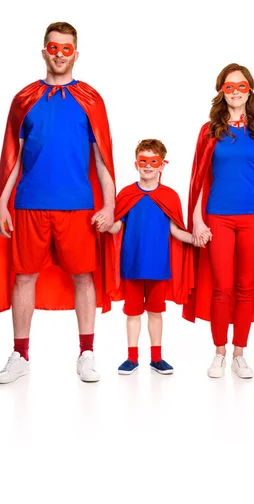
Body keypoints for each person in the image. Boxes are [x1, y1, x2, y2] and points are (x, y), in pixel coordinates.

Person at [0, 21, 116, 384]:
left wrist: (108, 206)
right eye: (53, 47)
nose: (59, 54)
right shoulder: (25, 99)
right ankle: (20, 355)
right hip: (30, 205)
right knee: (24, 278)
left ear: (75, 54)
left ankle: (87, 352)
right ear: (44, 51)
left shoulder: (90, 99)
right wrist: (1, 204)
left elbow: (102, 158)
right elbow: (11, 159)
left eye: (66, 48)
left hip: (78, 205)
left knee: (83, 277)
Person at [183, 63, 254, 379]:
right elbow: (198, 178)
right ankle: (219, 353)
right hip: (217, 217)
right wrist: (198, 219)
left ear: (250, 90)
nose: (236, 92)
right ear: (221, 92)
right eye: (229, 87)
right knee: (221, 288)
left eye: (241, 86)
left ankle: (239, 353)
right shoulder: (209, 130)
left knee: (245, 288)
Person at [95, 139, 194, 375]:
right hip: (132, 266)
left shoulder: (170, 196)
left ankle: (157, 358)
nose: (148, 166)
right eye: (143, 161)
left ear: (162, 165)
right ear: (136, 164)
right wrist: (104, 225)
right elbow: (117, 227)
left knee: (156, 312)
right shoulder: (127, 194)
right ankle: (131, 358)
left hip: (159, 267)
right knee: (132, 313)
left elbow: (176, 230)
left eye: (153, 161)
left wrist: (196, 238)